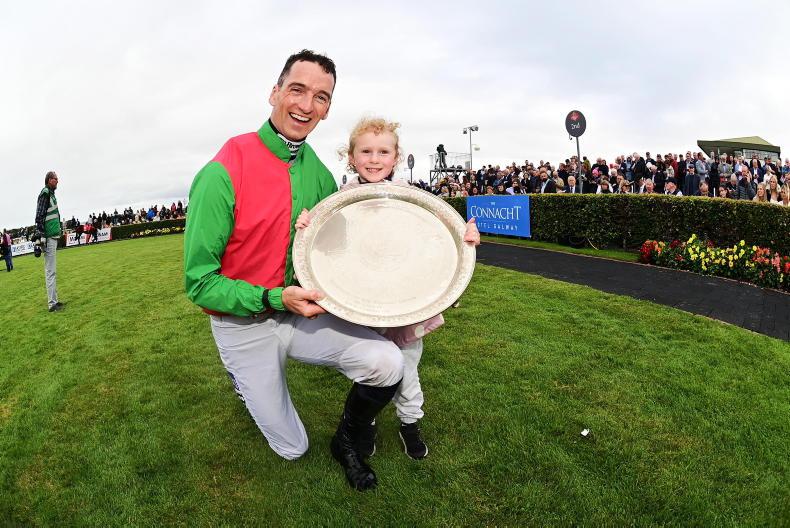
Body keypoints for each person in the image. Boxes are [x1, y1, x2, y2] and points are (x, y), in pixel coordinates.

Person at [184, 50, 404, 492]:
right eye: (297, 90)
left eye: (320, 97)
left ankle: (346, 441)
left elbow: (346, 250)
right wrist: (272, 297)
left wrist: (449, 246)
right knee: (293, 447)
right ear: (275, 93)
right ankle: (241, 376)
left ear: (327, 109)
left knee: (388, 362)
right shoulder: (223, 170)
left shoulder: (320, 176)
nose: (306, 105)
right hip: (242, 324)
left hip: (296, 315)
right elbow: (200, 284)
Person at [296, 117, 479, 460]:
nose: (374, 159)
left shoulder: (412, 200)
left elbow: (433, 245)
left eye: (383, 152)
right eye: (366, 151)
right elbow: (328, 248)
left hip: (407, 306)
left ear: (396, 157)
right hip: (362, 304)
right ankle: (366, 424)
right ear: (351, 157)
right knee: (372, 371)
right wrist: (308, 225)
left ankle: (410, 423)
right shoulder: (340, 202)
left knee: (407, 371)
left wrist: (463, 239)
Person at [35, 171, 63, 312]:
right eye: (55, 178)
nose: (58, 180)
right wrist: (41, 237)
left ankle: (55, 301)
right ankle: (52, 304)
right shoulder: (45, 193)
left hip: (52, 236)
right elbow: (39, 216)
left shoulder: (51, 194)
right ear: (49, 180)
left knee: (52, 271)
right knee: (50, 271)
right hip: (48, 237)